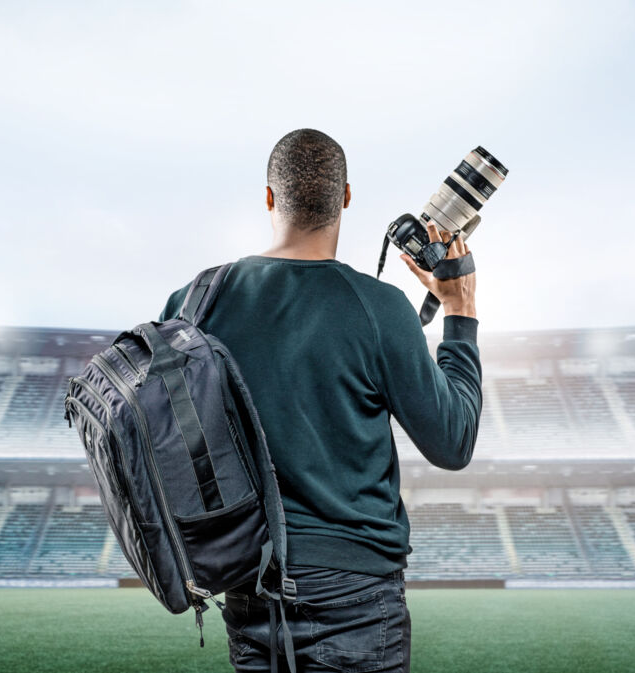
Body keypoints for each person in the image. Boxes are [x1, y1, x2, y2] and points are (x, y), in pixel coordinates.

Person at [158, 128, 482, 673]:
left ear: (268, 197)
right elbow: (454, 441)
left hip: (245, 585)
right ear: (347, 197)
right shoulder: (380, 308)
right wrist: (460, 312)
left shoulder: (191, 302)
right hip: (355, 593)